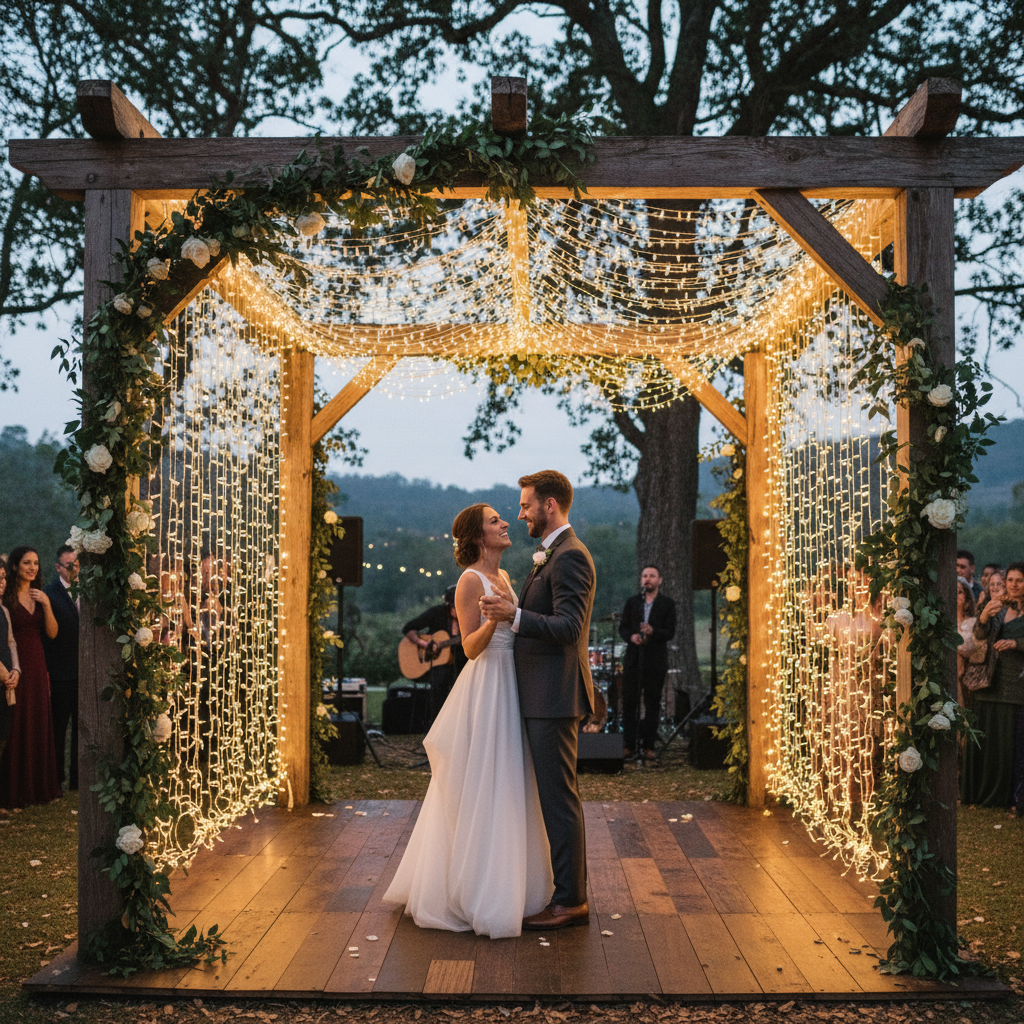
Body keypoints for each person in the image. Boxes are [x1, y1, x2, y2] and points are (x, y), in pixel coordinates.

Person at [384, 503, 553, 937]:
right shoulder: (469, 580)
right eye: (495, 520)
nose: (504, 524)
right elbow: (469, 647)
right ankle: (474, 889)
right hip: (486, 683)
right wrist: (496, 622)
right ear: (479, 536)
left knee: (512, 778)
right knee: (484, 780)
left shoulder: (507, 578)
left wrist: (510, 617)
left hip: (511, 683)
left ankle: (515, 882)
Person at [480, 470, 596, 931]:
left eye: (526, 505)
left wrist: (516, 615)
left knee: (558, 799)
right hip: (539, 695)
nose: (520, 513)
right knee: (551, 798)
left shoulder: (570, 557)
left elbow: (569, 628)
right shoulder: (551, 555)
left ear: (550, 506)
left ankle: (571, 900)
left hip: (553, 697)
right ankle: (563, 893)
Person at [0, 546, 61, 807]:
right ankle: (13, 788)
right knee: (15, 722)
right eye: (27, 562)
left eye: (36, 563)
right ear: (15, 566)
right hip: (14, 662)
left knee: (37, 719)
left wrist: (46, 605)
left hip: (37, 662)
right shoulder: (6, 596)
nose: (32, 567)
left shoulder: (40, 595)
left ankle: (38, 785)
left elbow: (52, 633)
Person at [963, 561, 1024, 813]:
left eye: (1018, 580)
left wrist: (1016, 644)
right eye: (1010, 580)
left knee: (1014, 743)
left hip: (1017, 685)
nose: (1013, 585)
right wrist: (984, 617)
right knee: (989, 740)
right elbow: (979, 637)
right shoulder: (998, 608)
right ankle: (986, 793)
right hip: (990, 682)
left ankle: (1014, 796)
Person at [618, 565, 677, 761]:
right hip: (634, 659)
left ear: (659, 580)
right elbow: (623, 627)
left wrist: (653, 632)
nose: (647, 579)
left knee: (652, 703)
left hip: (655, 660)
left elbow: (670, 632)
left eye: (652, 576)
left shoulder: (667, 604)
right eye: (644, 576)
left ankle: (649, 745)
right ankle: (629, 744)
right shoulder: (633, 602)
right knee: (630, 703)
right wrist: (631, 637)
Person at [401, 585, 466, 725]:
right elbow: (408, 628)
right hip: (438, 664)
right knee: (439, 684)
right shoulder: (436, 612)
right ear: (448, 604)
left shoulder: (469, 615)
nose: (457, 610)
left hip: (462, 662)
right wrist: (425, 644)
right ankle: (437, 725)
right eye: (454, 607)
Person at [43, 545, 79, 791]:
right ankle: (56, 779)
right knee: (58, 727)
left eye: (77, 564)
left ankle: (78, 779)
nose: (74, 569)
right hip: (60, 671)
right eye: (69, 565)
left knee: (81, 727)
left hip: (82, 672)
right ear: (58, 567)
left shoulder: (86, 590)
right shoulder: (50, 594)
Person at [0, 560, 21, 762]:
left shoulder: (4, 611)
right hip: (3, 679)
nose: (2, 582)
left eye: (3, 577)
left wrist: (16, 670)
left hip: (5, 687)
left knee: (3, 738)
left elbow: (11, 642)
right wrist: (5, 674)